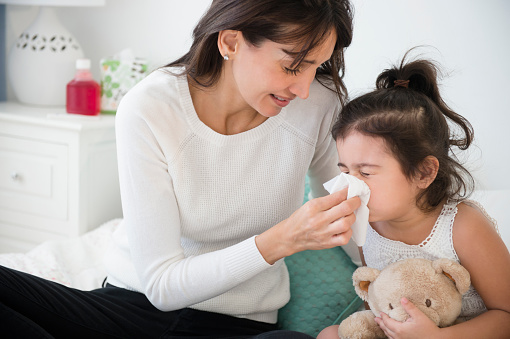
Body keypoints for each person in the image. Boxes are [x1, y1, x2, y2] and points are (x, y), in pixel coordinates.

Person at [0, 0, 362, 338]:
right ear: (231, 43)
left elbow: (354, 218)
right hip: (129, 308)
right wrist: (280, 240)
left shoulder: (318, 106)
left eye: (317, 67)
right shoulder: (150, 107)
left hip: (238, 324)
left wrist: (398, 280)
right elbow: (161, 285)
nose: (302, 87)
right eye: (291, 65)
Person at [317, 51, 510, 339]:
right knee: (329, 335)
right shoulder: (366, 224)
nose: (350, 186)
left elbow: (506, 315)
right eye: (345, 171)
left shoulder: (463, 226)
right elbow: (378, 299)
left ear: (423, 173)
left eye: (366, 173)